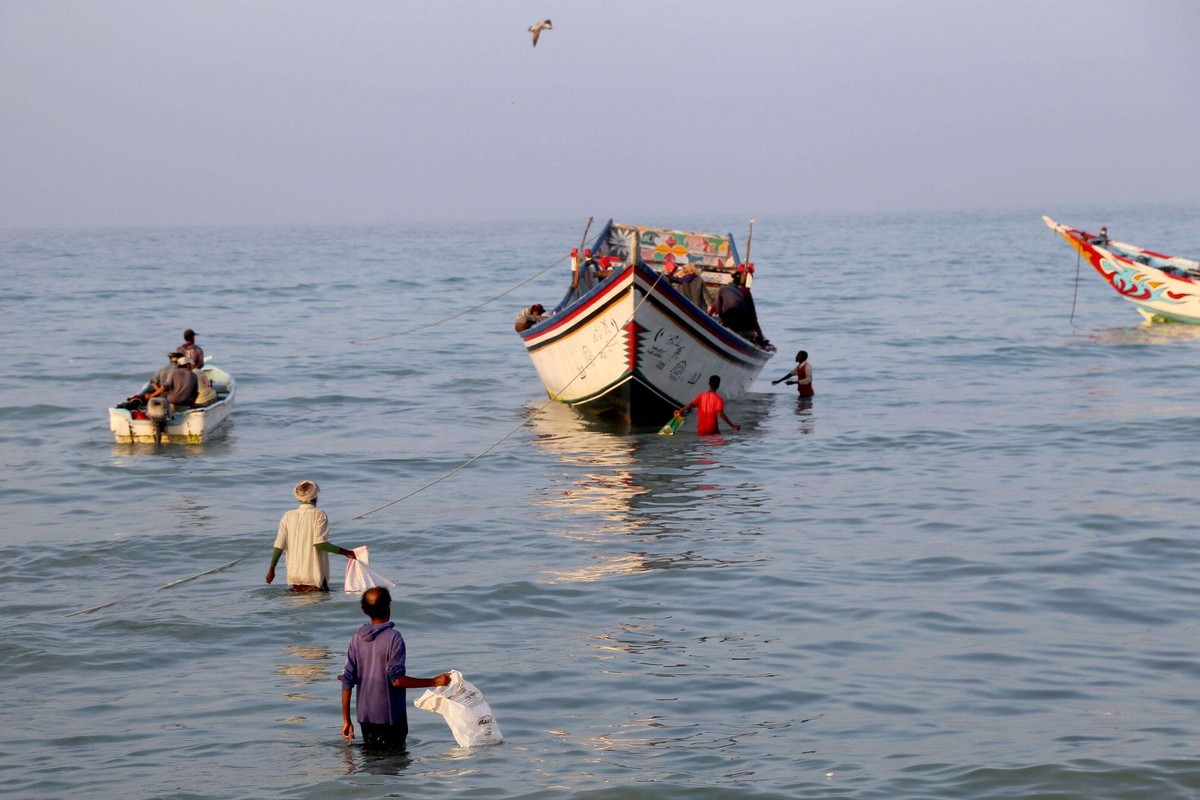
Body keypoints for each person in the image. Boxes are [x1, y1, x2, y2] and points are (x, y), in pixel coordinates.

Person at [339, 587, 453, 750]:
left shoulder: (357, 638)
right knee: (392, 769)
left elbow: (347, 680)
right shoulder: (394, 638)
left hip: (365, 717)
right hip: (391, 718)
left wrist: (346, 720)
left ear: (364, 610)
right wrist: (435, 681)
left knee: (372, 764)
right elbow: (397, 680)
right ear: (389, 607)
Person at [266, 480, 356, 592]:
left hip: (294, 576)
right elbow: (320, 543)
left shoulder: (288, 516)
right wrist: (347, 553)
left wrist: (272, 569)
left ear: (299, 498)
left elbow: (279, 545)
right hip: (314, 576)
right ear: (315, 496)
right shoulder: (319, 514)